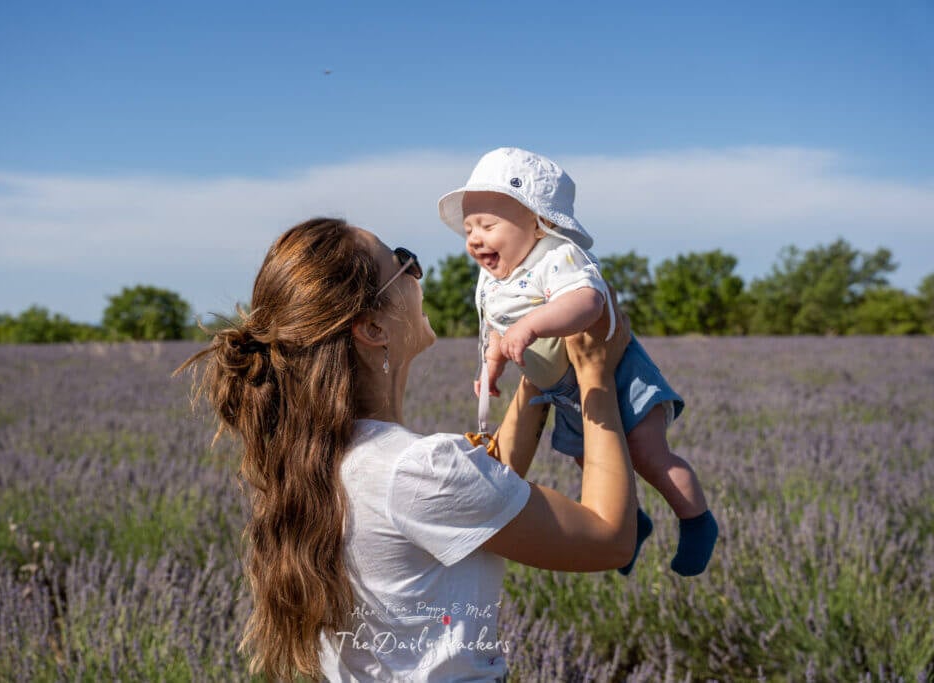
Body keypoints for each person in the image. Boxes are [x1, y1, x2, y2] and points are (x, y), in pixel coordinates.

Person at [177, 217, 637, 682]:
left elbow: (483, 492)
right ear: (373, 326)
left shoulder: (321, 460)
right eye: (403, 263)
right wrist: (594, 370)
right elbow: (611, 538)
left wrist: (545, 373)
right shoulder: (418, 469)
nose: (418, 273)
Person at [438, 147, 718, 577]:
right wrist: (492, 361)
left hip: (617, 373)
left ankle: (697, 520)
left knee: (646, 454)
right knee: (595, 464)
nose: (474, 238)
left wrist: (531, 326)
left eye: (488, 225)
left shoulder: (557, 255)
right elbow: (497, 325)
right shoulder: (495, 276)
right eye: (470, 227)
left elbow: (586, 301)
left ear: (539, 222)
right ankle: (634, 523)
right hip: (563, 389)